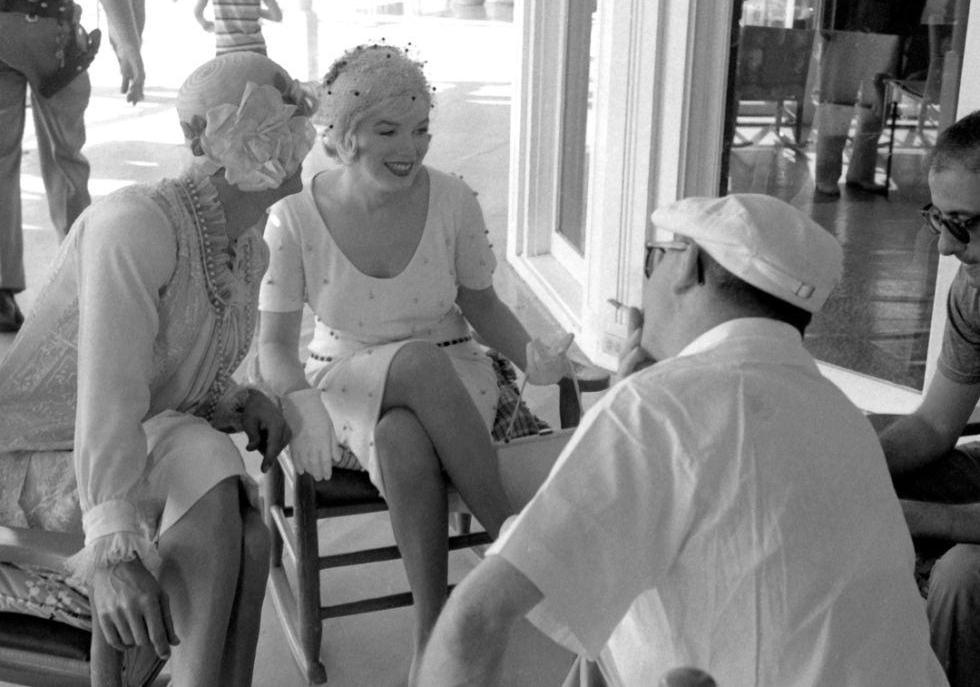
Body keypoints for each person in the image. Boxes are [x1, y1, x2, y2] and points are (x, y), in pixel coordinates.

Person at [417, 194, 948, 687]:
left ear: (689, 263)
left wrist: (632, 403)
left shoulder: (660, 407)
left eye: (653, 258)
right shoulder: (841, 415)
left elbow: (474, 622)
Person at [254, 42, 570, 685]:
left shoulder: (453, 199)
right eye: (388, 130)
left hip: (457, 374)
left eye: (422, 128)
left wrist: (529, 354)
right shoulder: (291, 219)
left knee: (404, 428)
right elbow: (273, 350)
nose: (412, 146)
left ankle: (434, 631)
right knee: (417, 367)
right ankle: (521, 547)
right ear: (343, 137)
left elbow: (480, 304)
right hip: (341, 376)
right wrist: (302, 405)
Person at [0, 51, 317, 686]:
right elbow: (109, 398)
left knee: (249, 531)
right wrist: (113, 552)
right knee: (209, 466)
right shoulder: (135, 224)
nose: (299, 123)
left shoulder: (246, 245)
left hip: (130, 443)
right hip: (38, 457)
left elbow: (168, 370)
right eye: (275, 111)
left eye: (296, 108)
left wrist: (233, 400)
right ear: (210, 139)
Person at [877, 108, 980, 687]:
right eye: (938, 219)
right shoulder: (975, 290)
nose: (943, 247)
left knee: (964, 576)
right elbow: (937, 423)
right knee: (866, 455)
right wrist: (857, 471)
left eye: (963, 223)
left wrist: (919, 517)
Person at [0, 0, 145, 333]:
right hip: (53, 32)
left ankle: (1, 290)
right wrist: (128, 42)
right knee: (65, 161)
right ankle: (80, 285)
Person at [813, 0, 930, 198]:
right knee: (838, 102)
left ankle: (854, 173)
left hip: (882, 28)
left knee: (871, 103)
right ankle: (833, 175)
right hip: (849, 27)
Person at [193, 0, 282, 57]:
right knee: (259, 80)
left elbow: (197, 12)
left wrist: (204, 23)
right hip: (255, 48)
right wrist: (250, 10)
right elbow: (277, 16)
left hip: (226, 49)